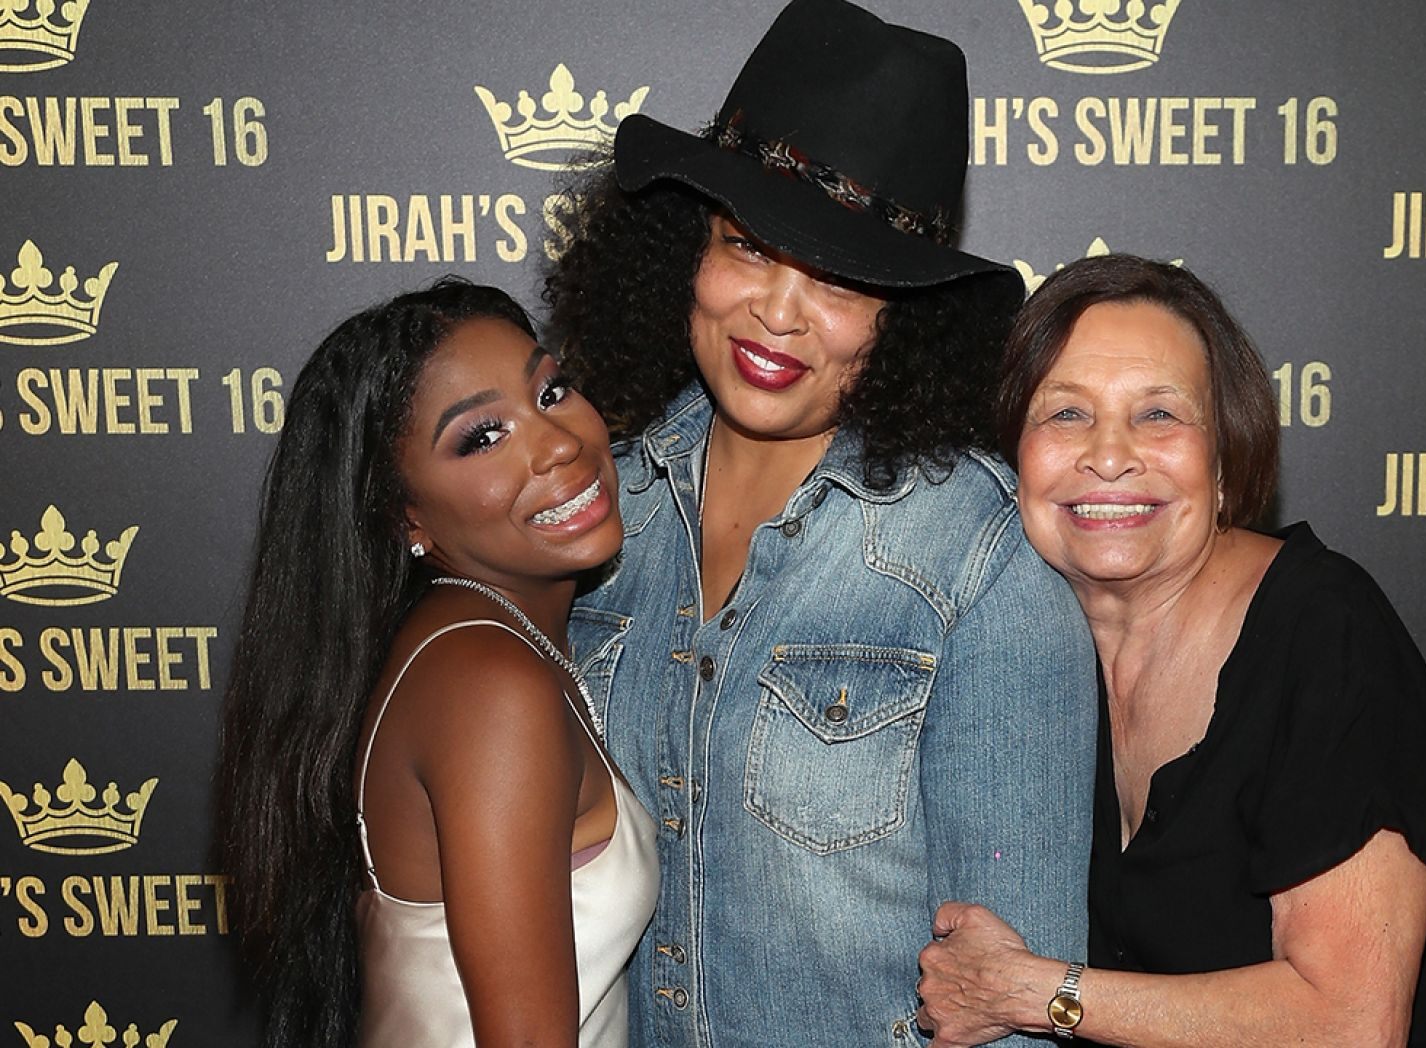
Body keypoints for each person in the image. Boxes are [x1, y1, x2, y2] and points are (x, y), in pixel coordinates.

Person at [543, 1, 1096, 1044]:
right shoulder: (591, 518)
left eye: (840, 280)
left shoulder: (976, 564)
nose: (779, 311)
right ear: (681, 256)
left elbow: (1013, 1011)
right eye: (745, 248)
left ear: (903, 318)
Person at [915, 255, 1426, 1047]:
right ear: (1011, 455)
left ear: (1226, 460)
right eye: (1065, 414)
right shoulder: (1010, 644)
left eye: (1160, 415)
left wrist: (1034, 993)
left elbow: (1348, 1022)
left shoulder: (1322, 628)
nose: (1109, 454)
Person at [215, 279, 657, 1048]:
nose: (558, 442)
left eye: (551, 390)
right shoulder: (490, 682)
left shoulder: (467, 641)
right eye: (481, 437)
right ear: (404, 515)